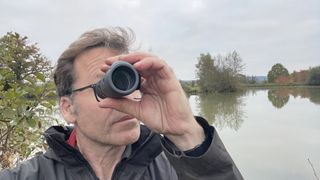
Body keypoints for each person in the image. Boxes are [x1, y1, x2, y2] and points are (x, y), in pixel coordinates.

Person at [0, 27, 243, 180]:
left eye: (130, 82)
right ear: (68, 108)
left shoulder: (175, 169)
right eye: (106, 86)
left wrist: (186, 132)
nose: (127, 96)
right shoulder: (26, 176)